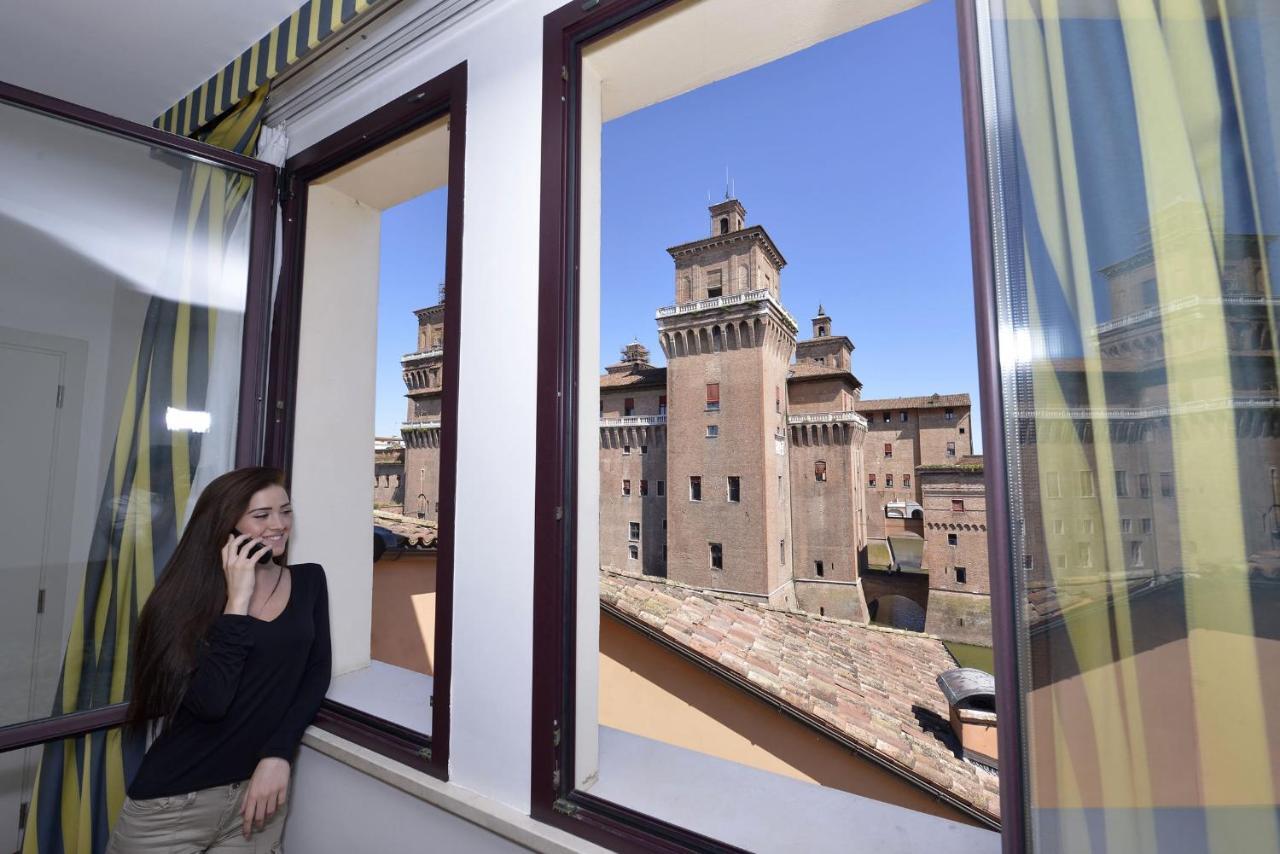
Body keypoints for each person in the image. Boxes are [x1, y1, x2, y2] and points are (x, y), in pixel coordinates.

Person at [107, 467, 331, 853]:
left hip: (258, 804)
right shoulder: (178, 604)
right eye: (261, 516)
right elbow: (212, 703)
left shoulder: (309, 582)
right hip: (173, 806)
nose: (278, 525)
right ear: (225, 524)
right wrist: (237, 603)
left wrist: (279, 753)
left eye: (286, 511)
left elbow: (315, 672)